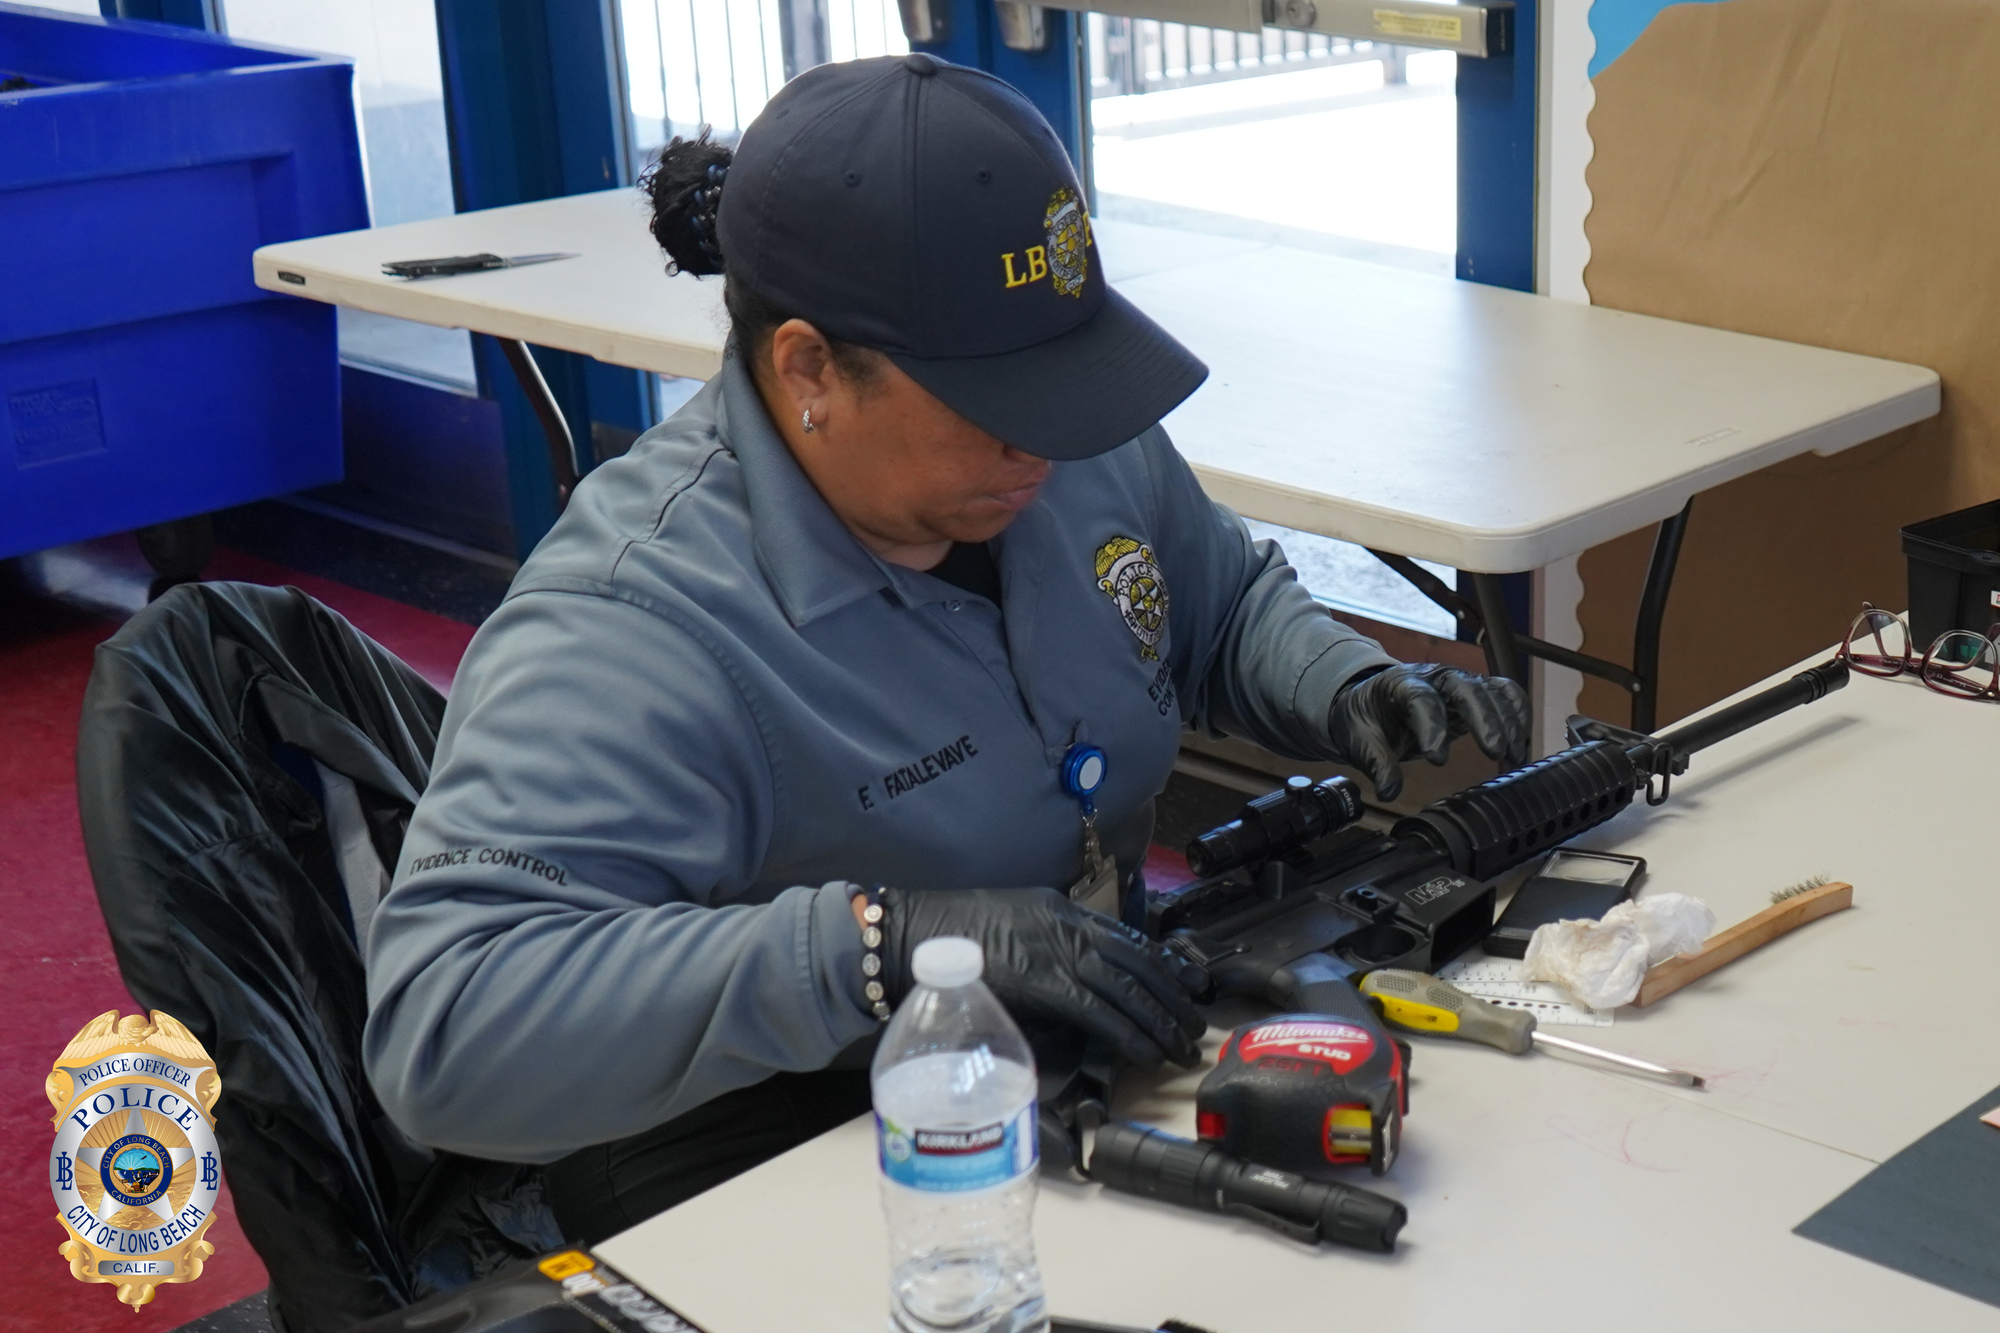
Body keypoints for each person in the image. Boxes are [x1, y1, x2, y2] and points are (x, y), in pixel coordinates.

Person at [363, 53, 1528, 1243]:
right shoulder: (635, 627)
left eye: (1065, 380)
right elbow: (446, 1031)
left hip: (1069, 1049)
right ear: (808, 369)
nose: (1049, 444)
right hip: (776, 1145)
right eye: (998, 401)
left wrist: (1341, 686)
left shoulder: (1053, 449)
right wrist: (878, 946)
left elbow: (1211, 598)